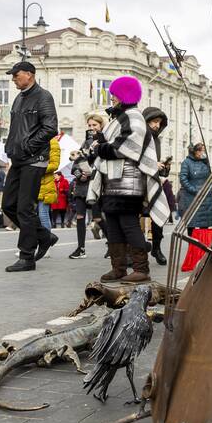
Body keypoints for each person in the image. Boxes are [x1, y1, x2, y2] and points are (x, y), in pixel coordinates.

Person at [87, 76, 170, 283]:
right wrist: (96, 148)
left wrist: (101, 148)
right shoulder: (122, 117)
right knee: (113, 224)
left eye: (115, 94)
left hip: (129, 182)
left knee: (129, 224)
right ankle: (119, 268)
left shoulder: (133, 117)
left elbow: (127, 147)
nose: (112, 98)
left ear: (124, 95)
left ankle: (141, 269)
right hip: (112, 181)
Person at [1, 60, 58, 272]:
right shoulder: (19, 98)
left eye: (16, 75)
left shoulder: (43, 96)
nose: (13, 78)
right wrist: (13, 148)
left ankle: (27, 257)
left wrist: (27, 146)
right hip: (18, 159)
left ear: (29, 74)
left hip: (34, 159)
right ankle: (44, 235)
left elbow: (51, 127)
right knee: (8, 205)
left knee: (25, 207)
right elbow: (17, 129)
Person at [68, 114, 104, 259]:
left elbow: (101, 162)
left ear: (101, 126)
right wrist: (79, 174)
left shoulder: (103, 142)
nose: (91, 128)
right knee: (80, 217)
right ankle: (81, 248)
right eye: (89, 125)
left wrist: (90, 172)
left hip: (95, 184)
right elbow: (75, 164)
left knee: (98, 218)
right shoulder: (84, 143)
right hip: (81, 186)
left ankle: (112, 246)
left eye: (94, 125)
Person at [178, 142, 212, 272]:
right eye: (200, 151)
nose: (202, 153)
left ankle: (202, 256)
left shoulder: (205, 162)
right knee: (192, 228)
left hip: (206, 198)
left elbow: (210, 178)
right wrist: (194, 190)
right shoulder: (186, 163)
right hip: (192, 199)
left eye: (204, 150)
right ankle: (192, 255)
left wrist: (211, 190)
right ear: (195, 151)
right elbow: (183, 178)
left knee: (204, 229)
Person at [141, 106, 170, 266]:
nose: (157, 125)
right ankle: (136, 250)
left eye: (159, 123)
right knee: (134, 216)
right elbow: (135, 157)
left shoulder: (156, 139)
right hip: (138, 181)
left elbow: (156, 164)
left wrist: (164, 168)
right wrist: (153, 164)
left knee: (158, 216)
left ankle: (156, 248)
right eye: (154, 121)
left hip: (153, 181)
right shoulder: (139, 137)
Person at [37, 134, 61, 231]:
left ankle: (46, 240)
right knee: (30, 215)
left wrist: (37, 169)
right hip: (31, 183)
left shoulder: (52, 142)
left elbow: (54, 164)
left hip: (45, 183)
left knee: (43, 214)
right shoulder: (32, 139)